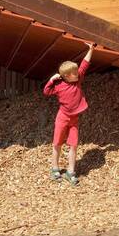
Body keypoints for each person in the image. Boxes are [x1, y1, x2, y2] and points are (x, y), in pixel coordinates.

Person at [43, 43, 93, 185]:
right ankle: (55, 168)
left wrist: (91, 50)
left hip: (74, 119)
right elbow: (46, 92)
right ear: (66, 76)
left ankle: (70, 172)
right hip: (62, 118)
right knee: (57, 143)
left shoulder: (78, 80)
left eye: (77, 72)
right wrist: (51, 80)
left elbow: (85, 64)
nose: (77, 74)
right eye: (74, 73)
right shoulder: (58, 86)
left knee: (74, 145)